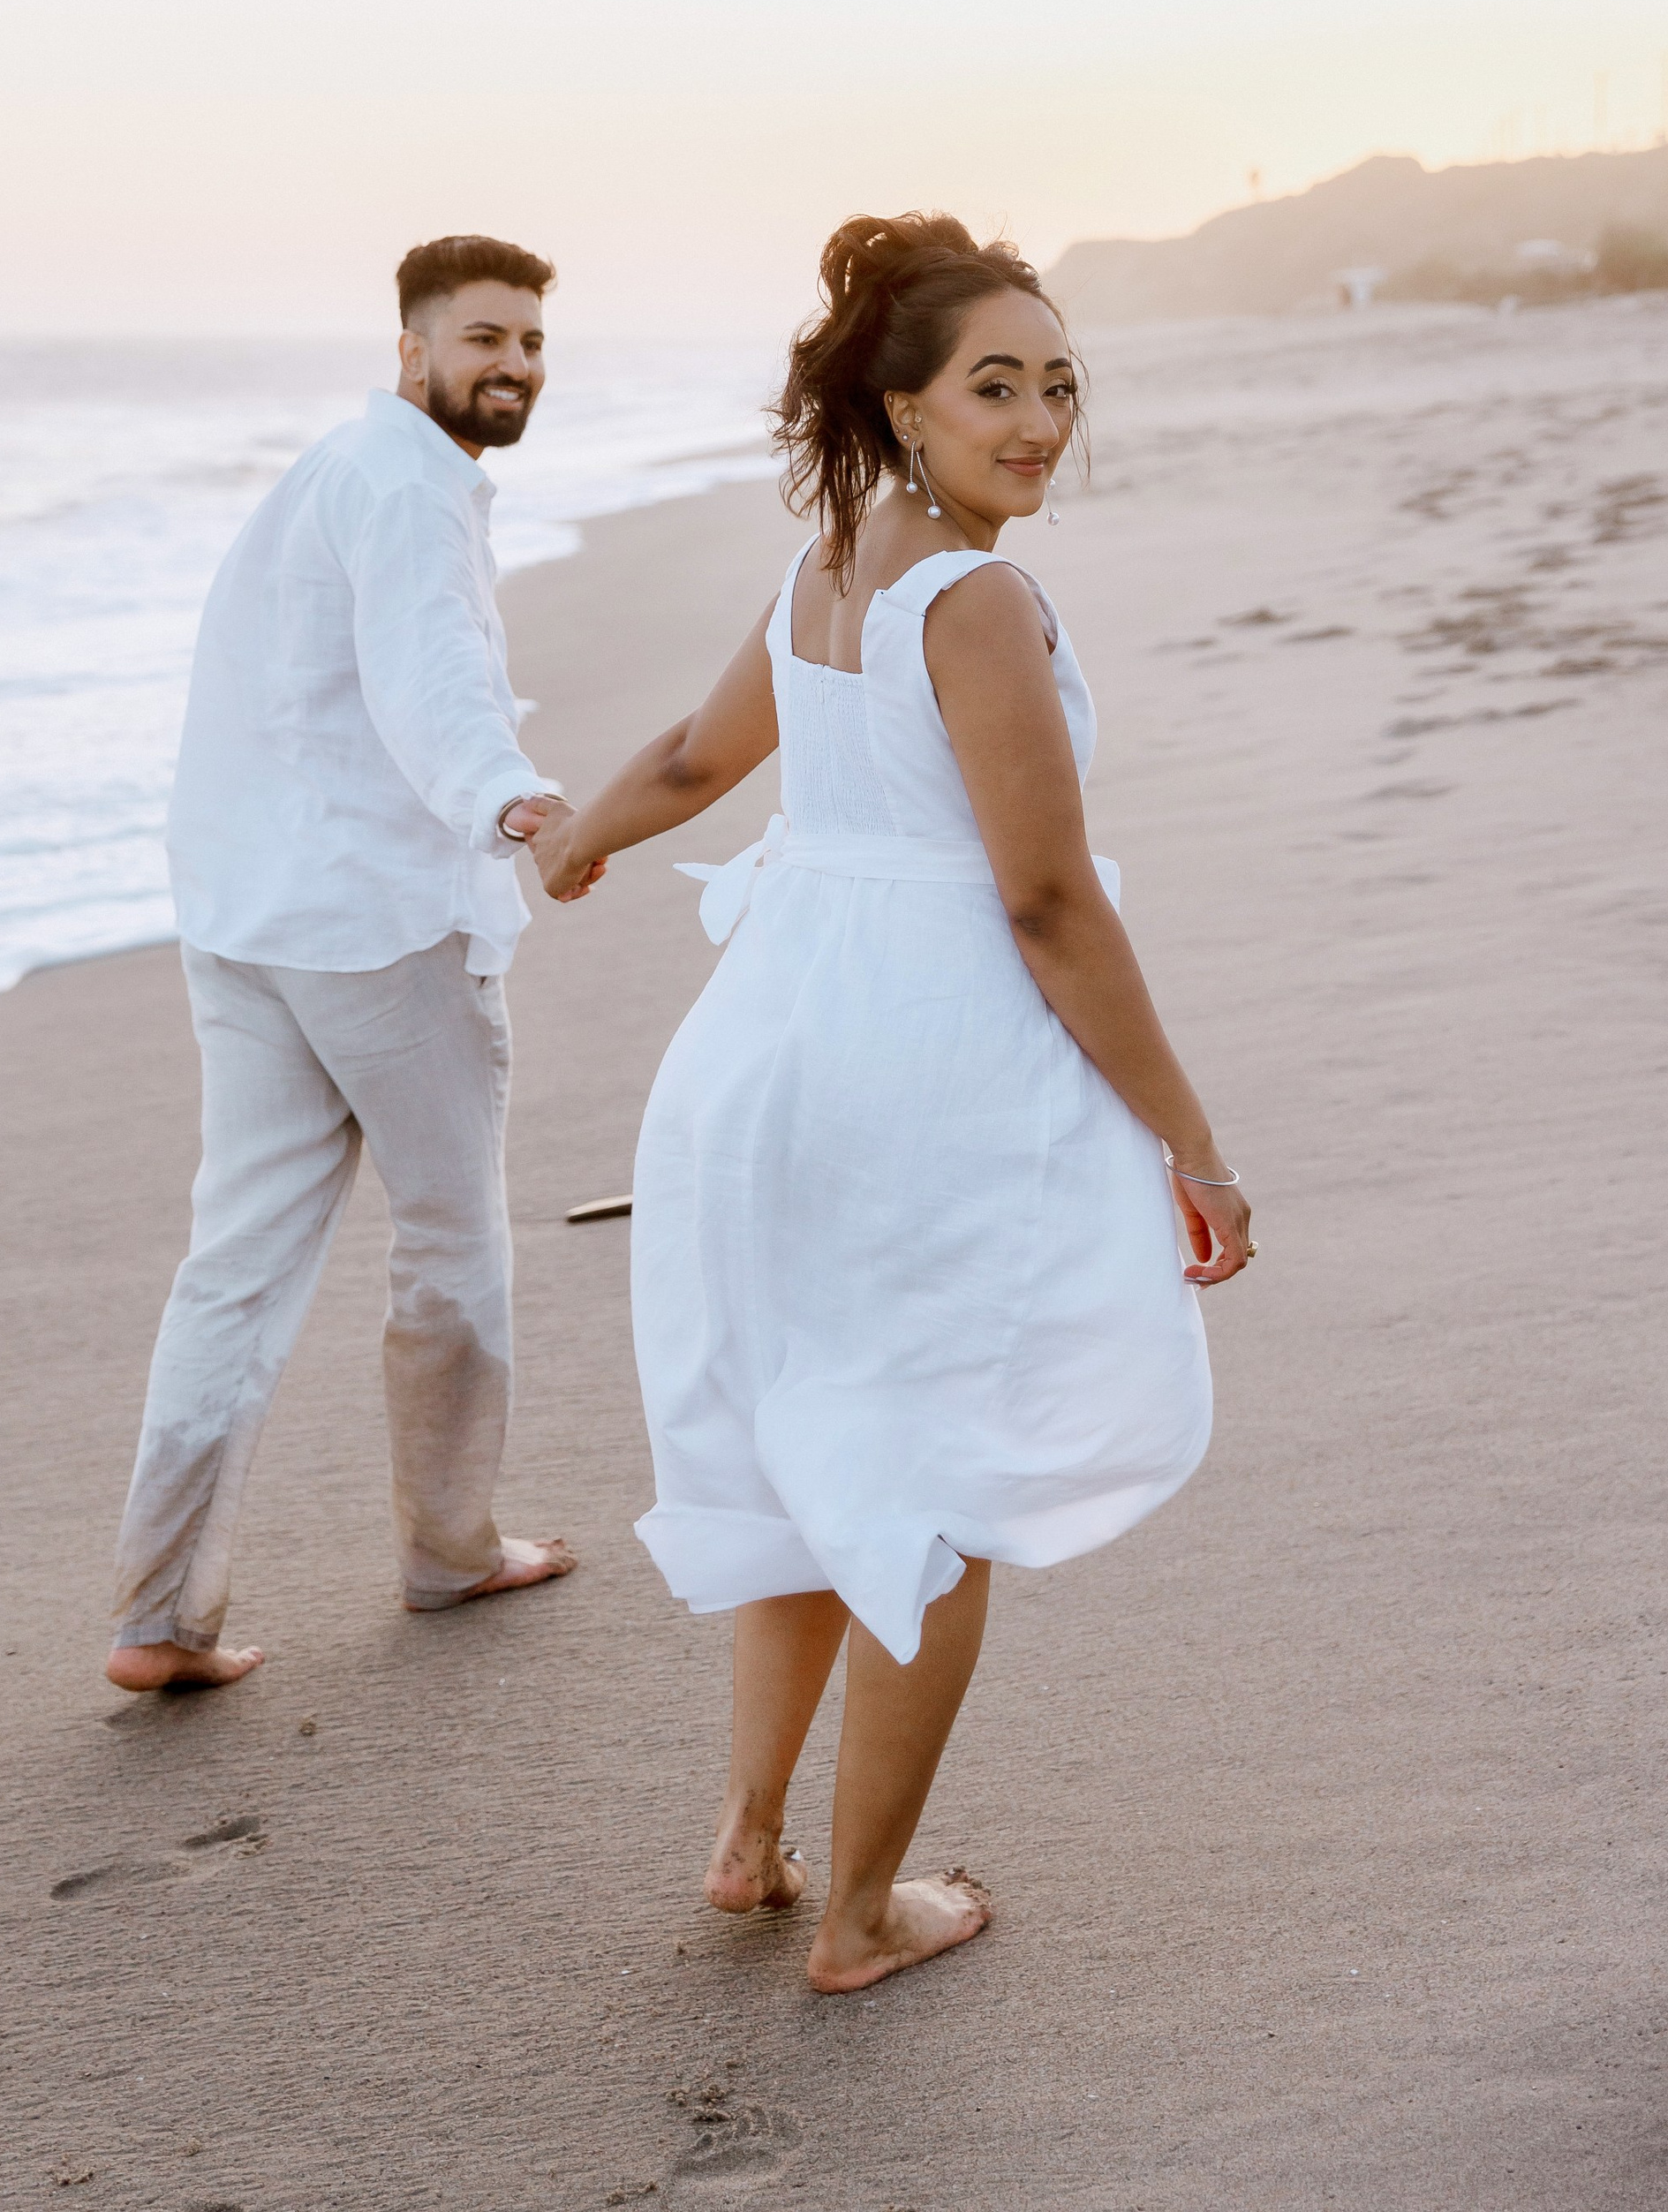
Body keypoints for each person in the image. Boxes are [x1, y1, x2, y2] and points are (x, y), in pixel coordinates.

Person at [536, 212, 1251, 1990]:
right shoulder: (976, 598)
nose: (1040, 422)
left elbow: (696, 757)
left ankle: (749, 1839)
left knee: (807, 1444)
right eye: (994, 386)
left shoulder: (828, 565)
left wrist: (577, 840)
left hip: (763, 1057)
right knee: (932, 1476)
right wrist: (1191, 1137)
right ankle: (857, 1917)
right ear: (902, 402)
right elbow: (1046, 901)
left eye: (1060, 384)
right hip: (915, 1070)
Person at [105, 234, 585, 1694]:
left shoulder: (334, 470)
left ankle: (156, 1615)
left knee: (237, 1263)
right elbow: (425, 670)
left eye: (529, 341)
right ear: (412, 350)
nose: (513, 364)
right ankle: (450, 1548)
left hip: (248, 914)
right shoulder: (407, 486)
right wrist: (511, 797)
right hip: (378, 928)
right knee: (453, 1237)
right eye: (483, 338)